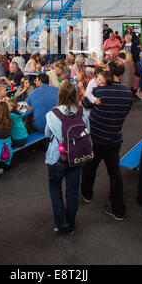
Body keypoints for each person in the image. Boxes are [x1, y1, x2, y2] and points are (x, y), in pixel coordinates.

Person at [80, 60, 133, 221]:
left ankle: (86, 194)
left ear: (109, 71)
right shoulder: (127, 93)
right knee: (115, 174)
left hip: (95, 137)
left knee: (89, 167)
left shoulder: (100, 90)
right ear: (122, 74)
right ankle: (118, 210)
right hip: (114, 138)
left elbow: (85, 103)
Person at [45, 81, 89, 235]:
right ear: (75, 94)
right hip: (77, 155)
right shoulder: (82, 112)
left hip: (57, 156)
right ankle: (71, 225)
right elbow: (86, 132)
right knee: (72, 191)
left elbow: (47, 134)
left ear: (60, 95)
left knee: (54, 187)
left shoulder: (52, 114)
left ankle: (61, 222)